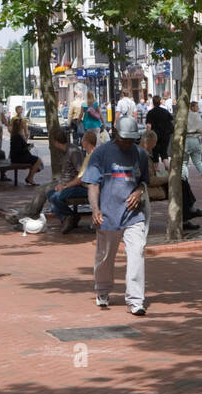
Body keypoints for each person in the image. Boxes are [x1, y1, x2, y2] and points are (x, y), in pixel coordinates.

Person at [83, 116, 151, 315]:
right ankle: (102, 290)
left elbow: (144, 181)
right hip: (108, 215)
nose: (128, 143)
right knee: (105, 257)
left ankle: (136, 300)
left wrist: (139, 192)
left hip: (133, 215)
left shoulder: (140, 154)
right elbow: (93, 185)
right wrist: (95, 209)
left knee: (137, 252)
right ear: (115, 135)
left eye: (132, 139)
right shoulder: (101, 154)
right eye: (124, 139)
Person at [50, 129, 97, 234]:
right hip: (81, 185)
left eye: (83, 140)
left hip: (87, 188)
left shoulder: (90, 156)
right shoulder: (89, 156)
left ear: (85, 142)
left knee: (55, 197)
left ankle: (70, 216)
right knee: (50, 194)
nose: (81, 142)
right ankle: (68, 218)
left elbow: (81, 178)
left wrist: (65, 186)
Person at [183, 100, 202, 188]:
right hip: (196, 139)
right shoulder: (197, 116)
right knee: (198, 161)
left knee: (184, 163)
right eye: (196, 106)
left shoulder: (184, 116)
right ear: (191, 107)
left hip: (187, 138)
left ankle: (185, 181)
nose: (198, 108)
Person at [8, 112, 43, 185]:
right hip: (18, 158)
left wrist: (28, 145)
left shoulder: (17, 135)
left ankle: (30, 177)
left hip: (17, 156)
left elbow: (21, 146)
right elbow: (19, 150)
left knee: (35, 159)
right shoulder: (17, 136)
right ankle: (30, 178)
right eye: (23, 125)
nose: (24, 126)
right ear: (20, 127)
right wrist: (28, 148)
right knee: (38, 160)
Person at [145, 95, 174, 164]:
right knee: (164, 153)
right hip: (165, 134)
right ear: (160, 102)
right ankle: (167, 167)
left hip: (154, 135)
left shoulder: (150, 112)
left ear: (153, 102)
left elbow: (149, 125)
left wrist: (147, 135)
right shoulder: (165, 111)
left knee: (155, 153)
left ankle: (156, 171)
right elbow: (171, 121)